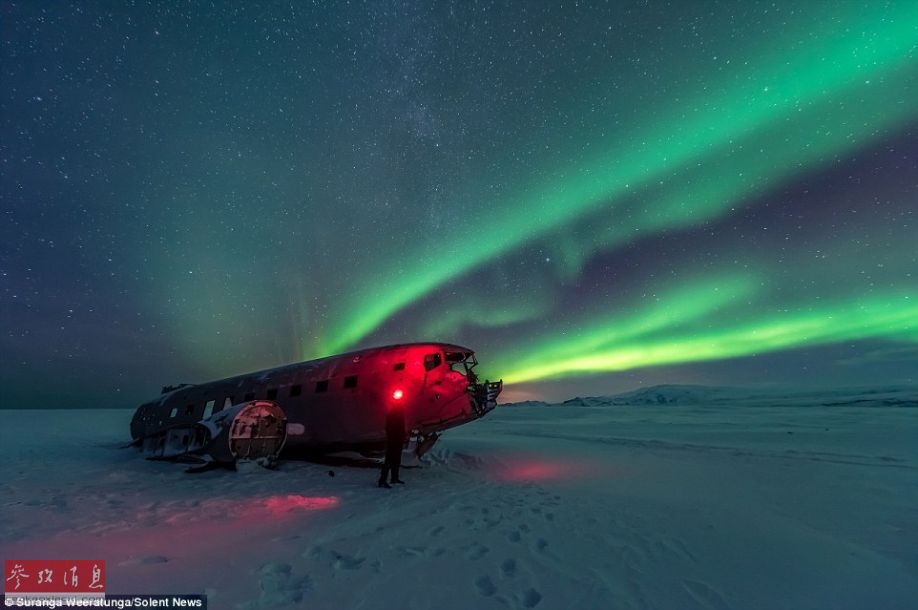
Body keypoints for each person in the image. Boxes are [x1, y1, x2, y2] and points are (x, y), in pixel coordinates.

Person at [378, 402, 406, 488]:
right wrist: (393, 437)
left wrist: (403, 436)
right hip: (393, 441)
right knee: (389, 460)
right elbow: (389, 428)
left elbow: (401, 427)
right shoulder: (392, 415)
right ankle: (382, 480)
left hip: (398, 440)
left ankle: (394, 478)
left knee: (396, 460)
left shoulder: (400, 415)